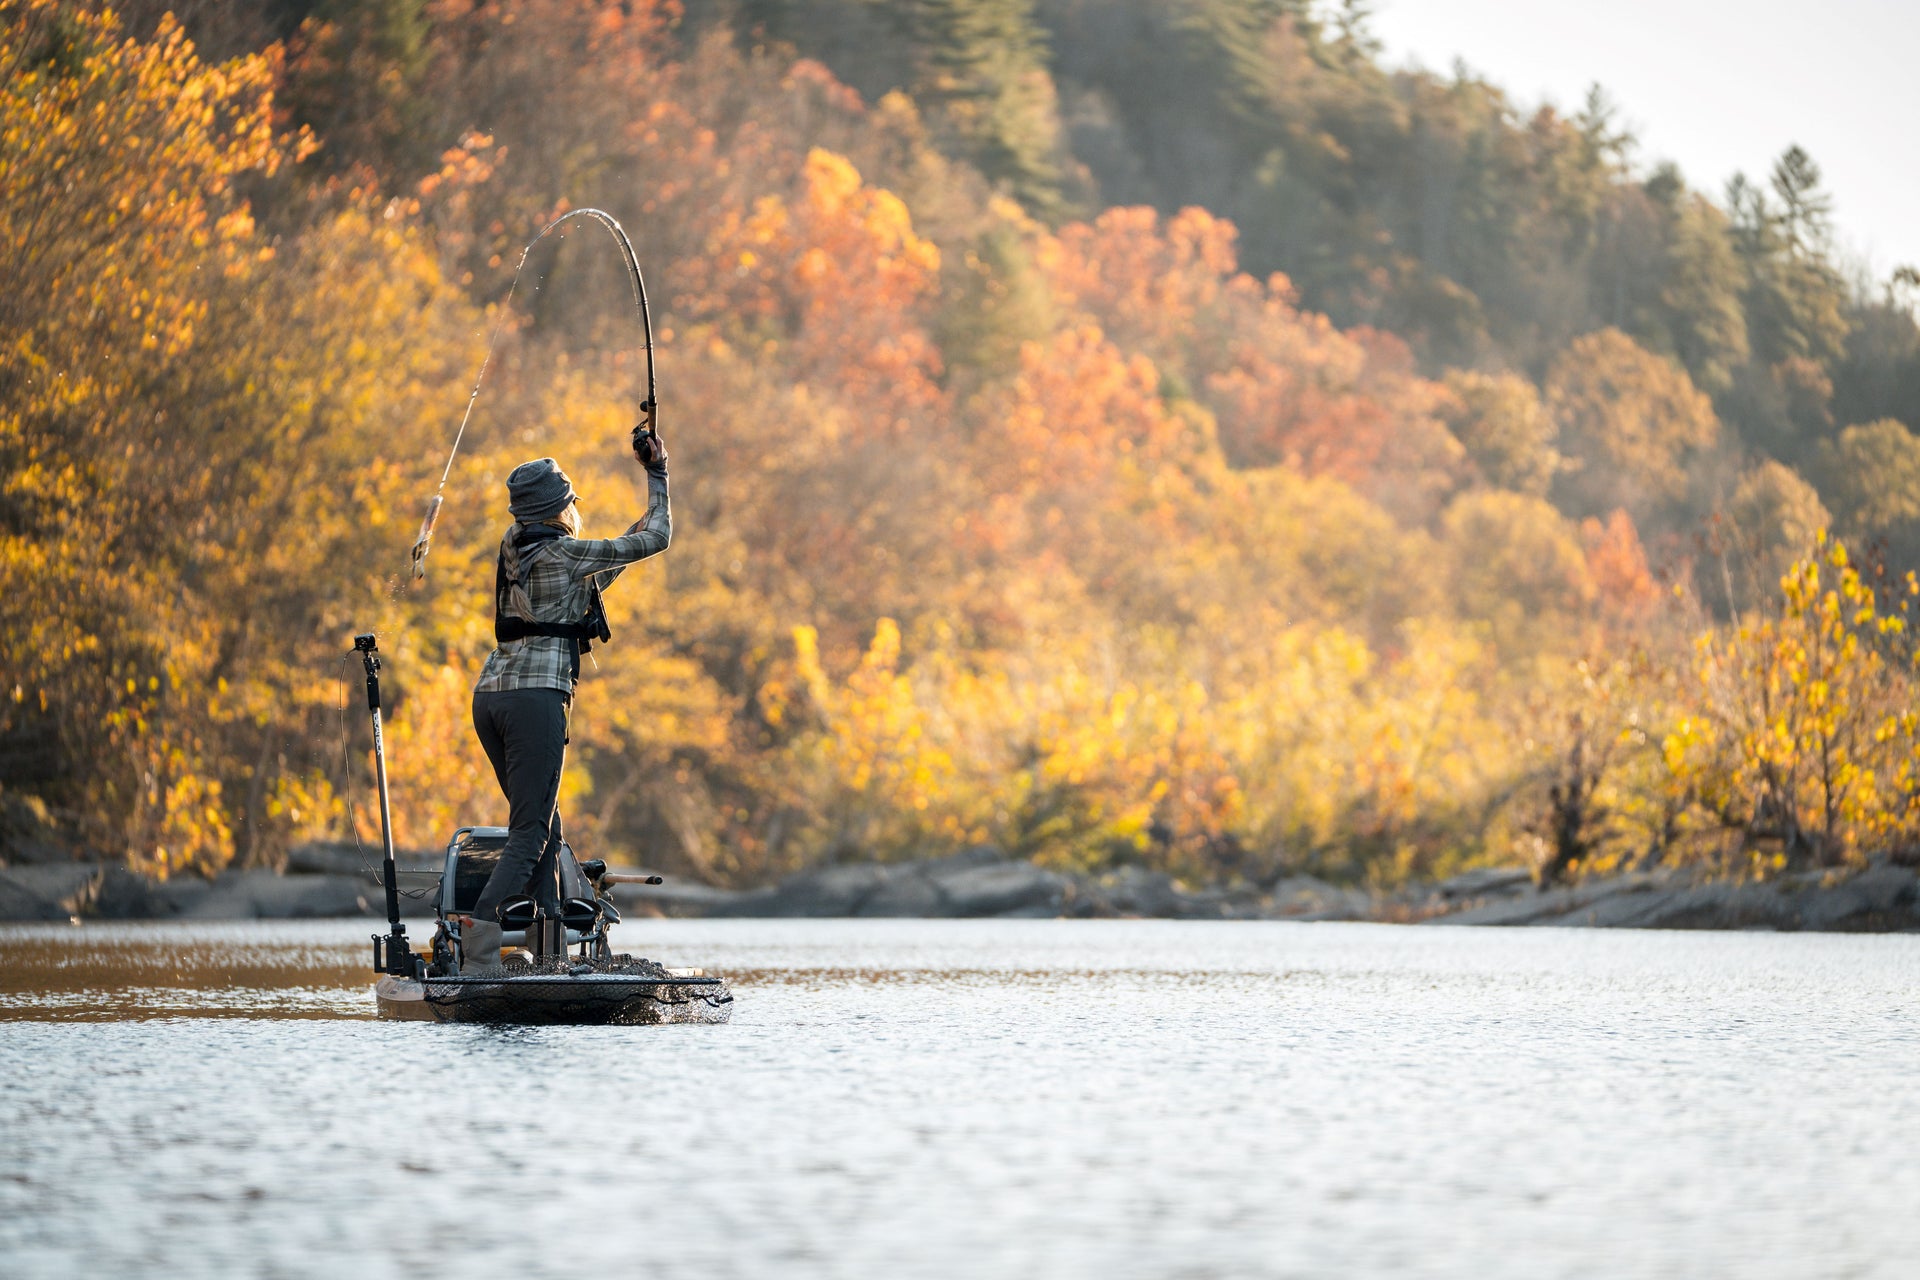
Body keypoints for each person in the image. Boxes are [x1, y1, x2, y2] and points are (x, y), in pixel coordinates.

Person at [457, 427, 670, 970]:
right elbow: (659, 539)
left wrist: (625, 535)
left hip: (491, 697)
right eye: (573, 503)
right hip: (534, 701)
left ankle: (546, 947)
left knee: (543, 825)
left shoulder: (515, 545)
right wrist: (657, 474)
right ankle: (478, 947)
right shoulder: (562, 552)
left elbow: (587, 578)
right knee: (529, 833)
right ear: (560, 510)